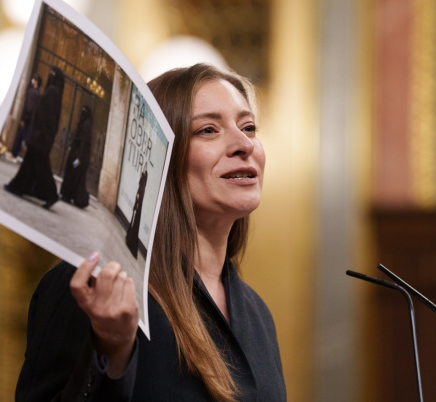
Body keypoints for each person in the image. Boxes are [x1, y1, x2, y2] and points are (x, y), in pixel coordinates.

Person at [15, 64, 285, 401]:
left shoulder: (259, 315)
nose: (244, 144)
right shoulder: (93, 287)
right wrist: (111, 350)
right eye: (208, 130)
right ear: (158, 160)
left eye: (249, 127)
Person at [5, 66, 65, 209]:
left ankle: (51, 194)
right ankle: (18, 187)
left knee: (41, 167)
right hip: (42, 137)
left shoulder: (52, 92)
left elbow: (45, 116)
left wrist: (37, 133)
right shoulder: (56, 93)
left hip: (40, 137)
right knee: (30, 165)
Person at [59, 105, 94, 208]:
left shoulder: (86, 126)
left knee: (73, 173)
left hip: (79, 157)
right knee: (72, 173)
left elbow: (83, 143)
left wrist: (78, 159)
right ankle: (67, 195)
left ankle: (68, 195)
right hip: (76, 154)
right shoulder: (84, 124)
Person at [11, 76, 42, 160]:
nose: (32, 80)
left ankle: (15, 153)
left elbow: (29, 106)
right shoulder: (38, 94)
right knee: (23, 136)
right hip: (31, 119)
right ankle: (15, 153)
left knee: (22, 137)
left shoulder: (32, 92)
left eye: (33, 79)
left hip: (28, 119)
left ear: (36, 81)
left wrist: (24, 118)